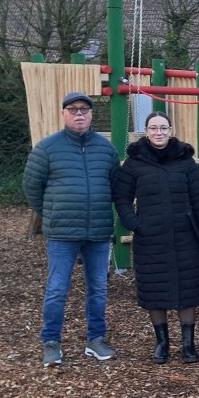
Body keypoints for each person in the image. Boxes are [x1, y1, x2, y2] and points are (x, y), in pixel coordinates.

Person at [23, 92, 119, 367]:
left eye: (84, 110)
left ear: (91, 114)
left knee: (98, 288)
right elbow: (32, 187)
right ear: (64, 113)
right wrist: (52, 213)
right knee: (57, 288)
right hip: (62, 234)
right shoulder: (47, 148)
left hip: (98, 231)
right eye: (73, 109)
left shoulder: (106, 149)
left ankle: (96, 339)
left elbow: (115, 186)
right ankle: (51, 342)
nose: (79, 114)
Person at [112, 112, 199, 363]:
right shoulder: (134, 163)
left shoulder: (185, 161)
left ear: (170, 131)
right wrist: (135, 224)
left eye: (163, 128)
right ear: (146, 131)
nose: (158, 132)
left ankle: (189, 345)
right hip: (150, 237)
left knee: (187, 290)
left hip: (184, 236)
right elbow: (122, 198)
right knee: (154, 290)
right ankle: (162, 343)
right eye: (153, 128)